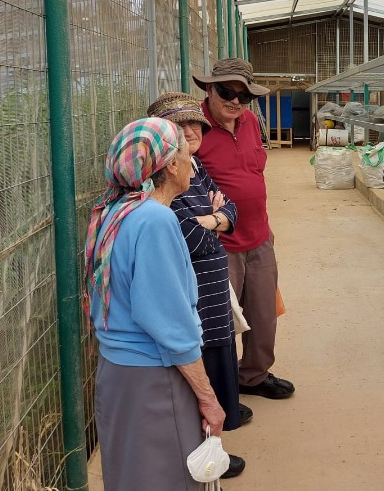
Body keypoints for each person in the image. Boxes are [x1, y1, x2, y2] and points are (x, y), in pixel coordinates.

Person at [85, 117, 226, 491]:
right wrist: (208, 398)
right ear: (172, 165)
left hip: (117, 372)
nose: (192, 161)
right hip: (154, 379)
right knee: (169, 478)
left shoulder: (113, 211)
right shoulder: (155, 221)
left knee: (130, 475)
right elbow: (171, 326)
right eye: (184, 151)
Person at [147, 92, 249, 479]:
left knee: (214, 367)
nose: (192, 131)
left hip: (209, 293)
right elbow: (188, 238)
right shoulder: (160, 176)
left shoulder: (196, 164)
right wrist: (213, 219)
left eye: (196, 125)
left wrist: (215, 217)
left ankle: (211, 446)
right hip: (190, 300)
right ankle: (200, 459)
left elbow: (232, 208)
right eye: (181, 125)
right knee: (193, 376)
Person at [193, 59, 295, 399]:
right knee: (219, 321)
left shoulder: (250, 121)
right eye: (227, 92)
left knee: (263, 315)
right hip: (220, 244)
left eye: (244, 96)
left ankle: (252, 375)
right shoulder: (195, 129)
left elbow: (255, 175)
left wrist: (266, 226)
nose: (235, 102)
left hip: (259, 237)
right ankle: (219, 391)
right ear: (209, 89)